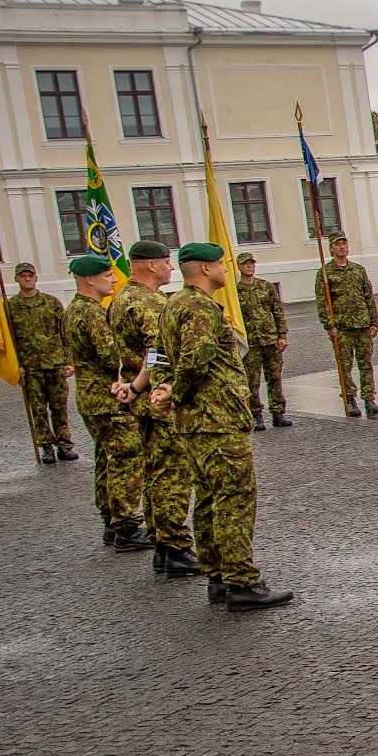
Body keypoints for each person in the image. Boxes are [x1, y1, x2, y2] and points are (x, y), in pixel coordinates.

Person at [146, 242, 293, 611]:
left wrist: (164, 388)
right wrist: (175, 391)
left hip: (193, 422)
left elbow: (160, 357)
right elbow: (196, 361)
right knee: (235, 496)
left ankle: (217, 576)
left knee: (209, 497)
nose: (226, 269)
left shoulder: (172, 305)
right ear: (207, 269)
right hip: (215, 418)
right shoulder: (198, 307)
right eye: (221, 265)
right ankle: (241, 581)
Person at [110, 240, 195, 575]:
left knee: (155, 472)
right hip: (156, 401)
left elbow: (122, 352)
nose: (170, 268)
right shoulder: (147, 301)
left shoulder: (121, 298)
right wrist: (137, 386)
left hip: (141, 404)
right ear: (149, 265)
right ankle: (174, 547)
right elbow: (155, 352)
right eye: (166, 263)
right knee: (172, 475)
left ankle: (162, 545)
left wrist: (126, 383)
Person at [63, 254, 150, 550]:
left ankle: (111, 520)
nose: (114, 279)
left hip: (91, 398)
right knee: (126, 457)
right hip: (108, 398)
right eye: (107, 275)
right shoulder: (91, 314)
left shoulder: (73, 310)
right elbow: (111, 356)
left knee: (106, 458)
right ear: (90, 280)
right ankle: (125, 525)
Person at [5, 261, 78, 463]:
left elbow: (64, 334)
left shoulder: (51, 302)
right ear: (17, 279)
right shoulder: (10, 306)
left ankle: (64, 445)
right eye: (23, 276)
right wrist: (15, 367)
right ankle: (46, 446)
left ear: (36, 278)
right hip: (30, 367)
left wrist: (68, 361)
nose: (27, 279)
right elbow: (10, 341)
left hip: (54, 363)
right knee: (38, 409)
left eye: (30, 276)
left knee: (59, 407)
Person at [316, 232, 378, 417]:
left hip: (362, 324)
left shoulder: (358, 270)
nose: (342, 247)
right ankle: (350, 398)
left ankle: (369, 398)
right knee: (345, 365)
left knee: (366, 363)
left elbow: (368, 296)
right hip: (342, 327)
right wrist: (329, 326)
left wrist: (374, 322)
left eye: (344, 244)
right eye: (338, 244)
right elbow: (322, 302)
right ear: (331, 248)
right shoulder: (325, 273)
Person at [233, 253, 294, 427]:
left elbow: (278, 311)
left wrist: (282, 335)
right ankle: (256, 414)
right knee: (252, 380)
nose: (249, 267)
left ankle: (278, 412)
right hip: (250, 342)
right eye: (245, 264)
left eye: (251, 263)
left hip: (270, 339)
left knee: (275, 377)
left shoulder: (266, 287)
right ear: (239, 267)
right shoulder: (235, 292)